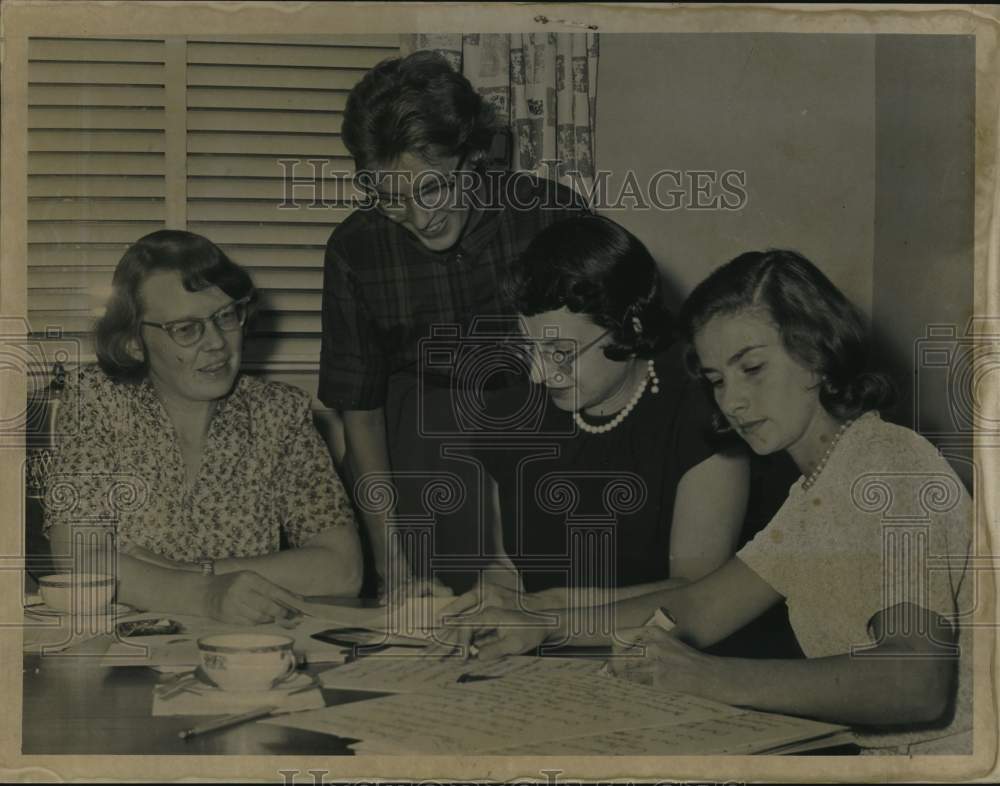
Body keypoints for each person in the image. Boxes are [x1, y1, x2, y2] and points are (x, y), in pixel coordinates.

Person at [443, 250, 973, 755]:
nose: (733, 401)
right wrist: (546, 623)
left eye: (753, 368)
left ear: (816, 352)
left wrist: (711, 677)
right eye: (717, 380)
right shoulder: (818, 488)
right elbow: (700, 608)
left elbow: (914, 681)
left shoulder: (888, 464)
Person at [319, 50, 589, 597]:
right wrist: (392, 563)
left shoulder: (555, 216)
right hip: (420, 440)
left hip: (545, 418)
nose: (421, 220)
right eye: (392, 199)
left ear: (474, 157)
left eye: (434, 188)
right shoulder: (355, 248)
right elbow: (362, 417)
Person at [44, 230, 363, 626]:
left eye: (225, 316)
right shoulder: (97, 401)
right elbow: (78, 556)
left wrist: (201, 572)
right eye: (186, 328)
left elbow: (343, 568)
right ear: (134, 343)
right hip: (127, 660)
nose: (216, 343)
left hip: (245, 655)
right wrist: (207, 596)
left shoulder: (279, 413)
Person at [439, 215, 750, 617]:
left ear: (629, 328)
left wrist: (554, 608)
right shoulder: (512, 415)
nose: (538, 373)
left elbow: (699, 590)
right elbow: (508, 568)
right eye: (528, 346)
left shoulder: (701, 417)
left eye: (562, 353)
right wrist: (492, 596)